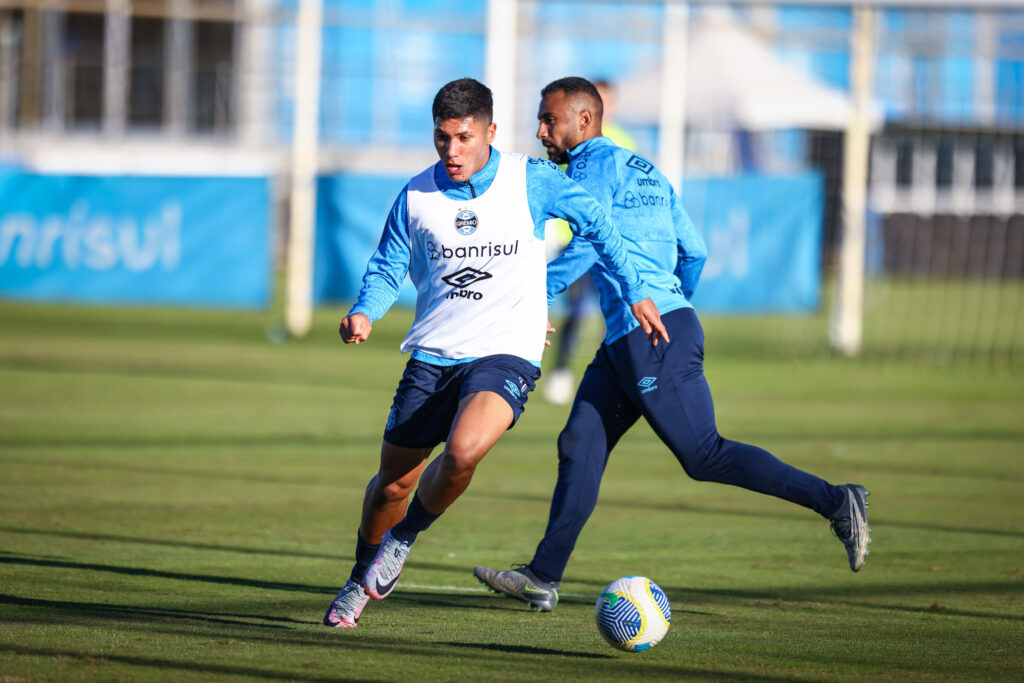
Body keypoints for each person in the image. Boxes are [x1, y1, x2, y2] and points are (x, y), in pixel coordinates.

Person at [473, 77, 871, 612]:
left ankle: (836, 501)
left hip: (648, 336)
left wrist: (537, 293)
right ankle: (543, 575)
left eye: (550, 120)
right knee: (579, 443)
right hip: (633, 339)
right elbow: (697, 249)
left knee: (703, 454)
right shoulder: (648, 170)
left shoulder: (590, 164)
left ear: (584, 122)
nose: (541, 130)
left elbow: (592, 242)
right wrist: (675, 302)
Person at [322, 78, 668, 628]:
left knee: (462, 453)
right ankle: (358, 575)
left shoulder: (531, 180)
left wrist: (636, 291)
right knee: (392, 483)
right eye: (441, 139)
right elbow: (388, 266)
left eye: (463, 138)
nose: (451, 151)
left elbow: (601, 225)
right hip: (433, 356)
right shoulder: (416, 194)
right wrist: (365, 310)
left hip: (507, 352)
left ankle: (403, 539)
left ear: (490, 132)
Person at [544, 79, 638, 405]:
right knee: (579, 310)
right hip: (575, 242)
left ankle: (612, 374)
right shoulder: (569, 139)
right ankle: (561, 373)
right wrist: (555, 232)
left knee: (616, 310)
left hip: (610, 244)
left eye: (608, 100)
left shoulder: (624, 142)